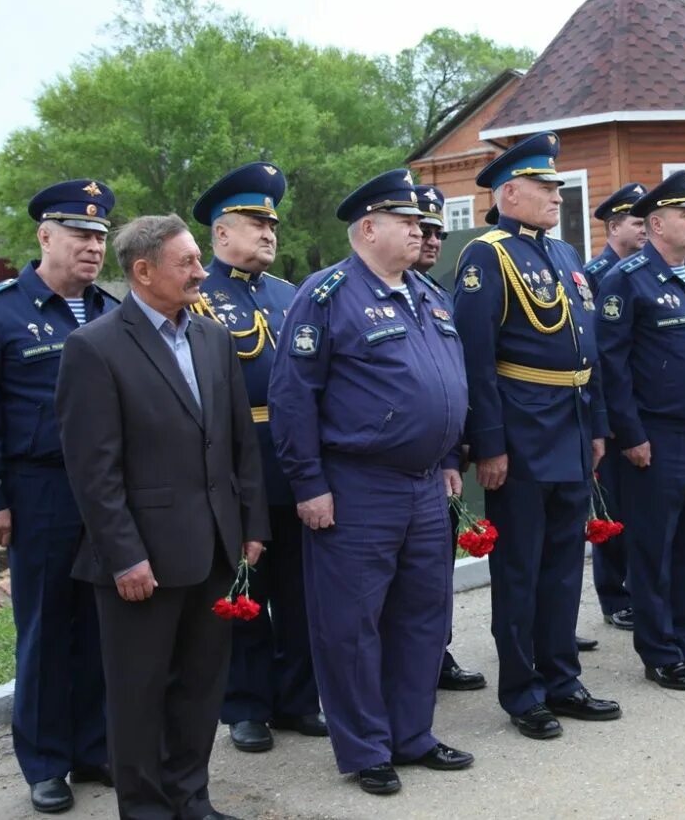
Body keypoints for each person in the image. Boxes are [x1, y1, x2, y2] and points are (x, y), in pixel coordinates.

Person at [56, 213, 268, 820]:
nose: (202, 272)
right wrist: (124, 554)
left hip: (216, 548)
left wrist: (252, 526)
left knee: (202, 689)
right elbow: (93, 472)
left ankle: (191, 799)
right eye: (188, 263)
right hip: (142, 558)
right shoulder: (93, 348)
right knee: (138, 695)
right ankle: (146, 809)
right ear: (143, 272)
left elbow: (238, 447)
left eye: (201, 259)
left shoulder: (213, 339)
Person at [268, 170, 474, 796]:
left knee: (422, 614)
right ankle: (366, 748)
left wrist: (449, 459)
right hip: (356, 485)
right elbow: (293, 396)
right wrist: (308, 484)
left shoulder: (428, 294)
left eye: (420, 221)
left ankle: (412, 734)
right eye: (406, 221)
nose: (420, 230)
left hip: (424, 484)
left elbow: (445, 383)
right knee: (351, 624)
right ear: (367, 229)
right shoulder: (326, 295)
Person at [0, 180, 117, 814]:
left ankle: (95, 746)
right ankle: (46, 763)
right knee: (47, 628)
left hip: (107, 492)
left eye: (101, 236)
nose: (93, 247)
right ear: (45, 236)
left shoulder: (108, 309)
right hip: (39, 489)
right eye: (81, 234)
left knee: (103, 623)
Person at [453, 132, 620, 739]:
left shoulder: (566, 257)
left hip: (572, 427)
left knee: (561, 567)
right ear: (509, 193)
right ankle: (522, 691)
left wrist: (598, 426)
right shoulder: (487, 255)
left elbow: (588, 352)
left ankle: (562, 677)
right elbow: (477, 359)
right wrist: (489, 443)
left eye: (556, 186)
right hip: (522, 434)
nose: (555, 195)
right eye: (544, 187)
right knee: (520, 571)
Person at [188, 163, 326, 754]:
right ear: (222, 234)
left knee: (299, 591)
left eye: (272, 224)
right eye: (254, 223)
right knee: (245, 586)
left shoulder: (290, 295)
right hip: (235, 463)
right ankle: (245, 705)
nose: (269, 234)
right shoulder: (197, 299)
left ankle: (298, 699)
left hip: (293, 460)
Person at [597, 171, 685, 689]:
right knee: (654, 549)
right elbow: (614, 364)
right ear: (656, 223)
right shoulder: (628, 279)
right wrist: (629, 435)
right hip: (657, 437)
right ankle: (659, 650)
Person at [411, 183, 489, 692]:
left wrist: (461, 449)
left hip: (440, 458)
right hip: (390, 466)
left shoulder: (441, 297)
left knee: (435, 567)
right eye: (425, 229)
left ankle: (436, 653)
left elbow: (457, 375)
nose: (435, 240)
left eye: (440, 231)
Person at [586, 182, 647, 631]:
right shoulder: (595, 275)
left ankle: (638, 587)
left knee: (636, 507)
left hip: (642, 410)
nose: (644, 229)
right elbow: (599, 355)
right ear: (613, 226)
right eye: (637, 222)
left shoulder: (645, 271)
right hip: (607, 413)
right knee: (611, 508)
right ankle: (614, 595)